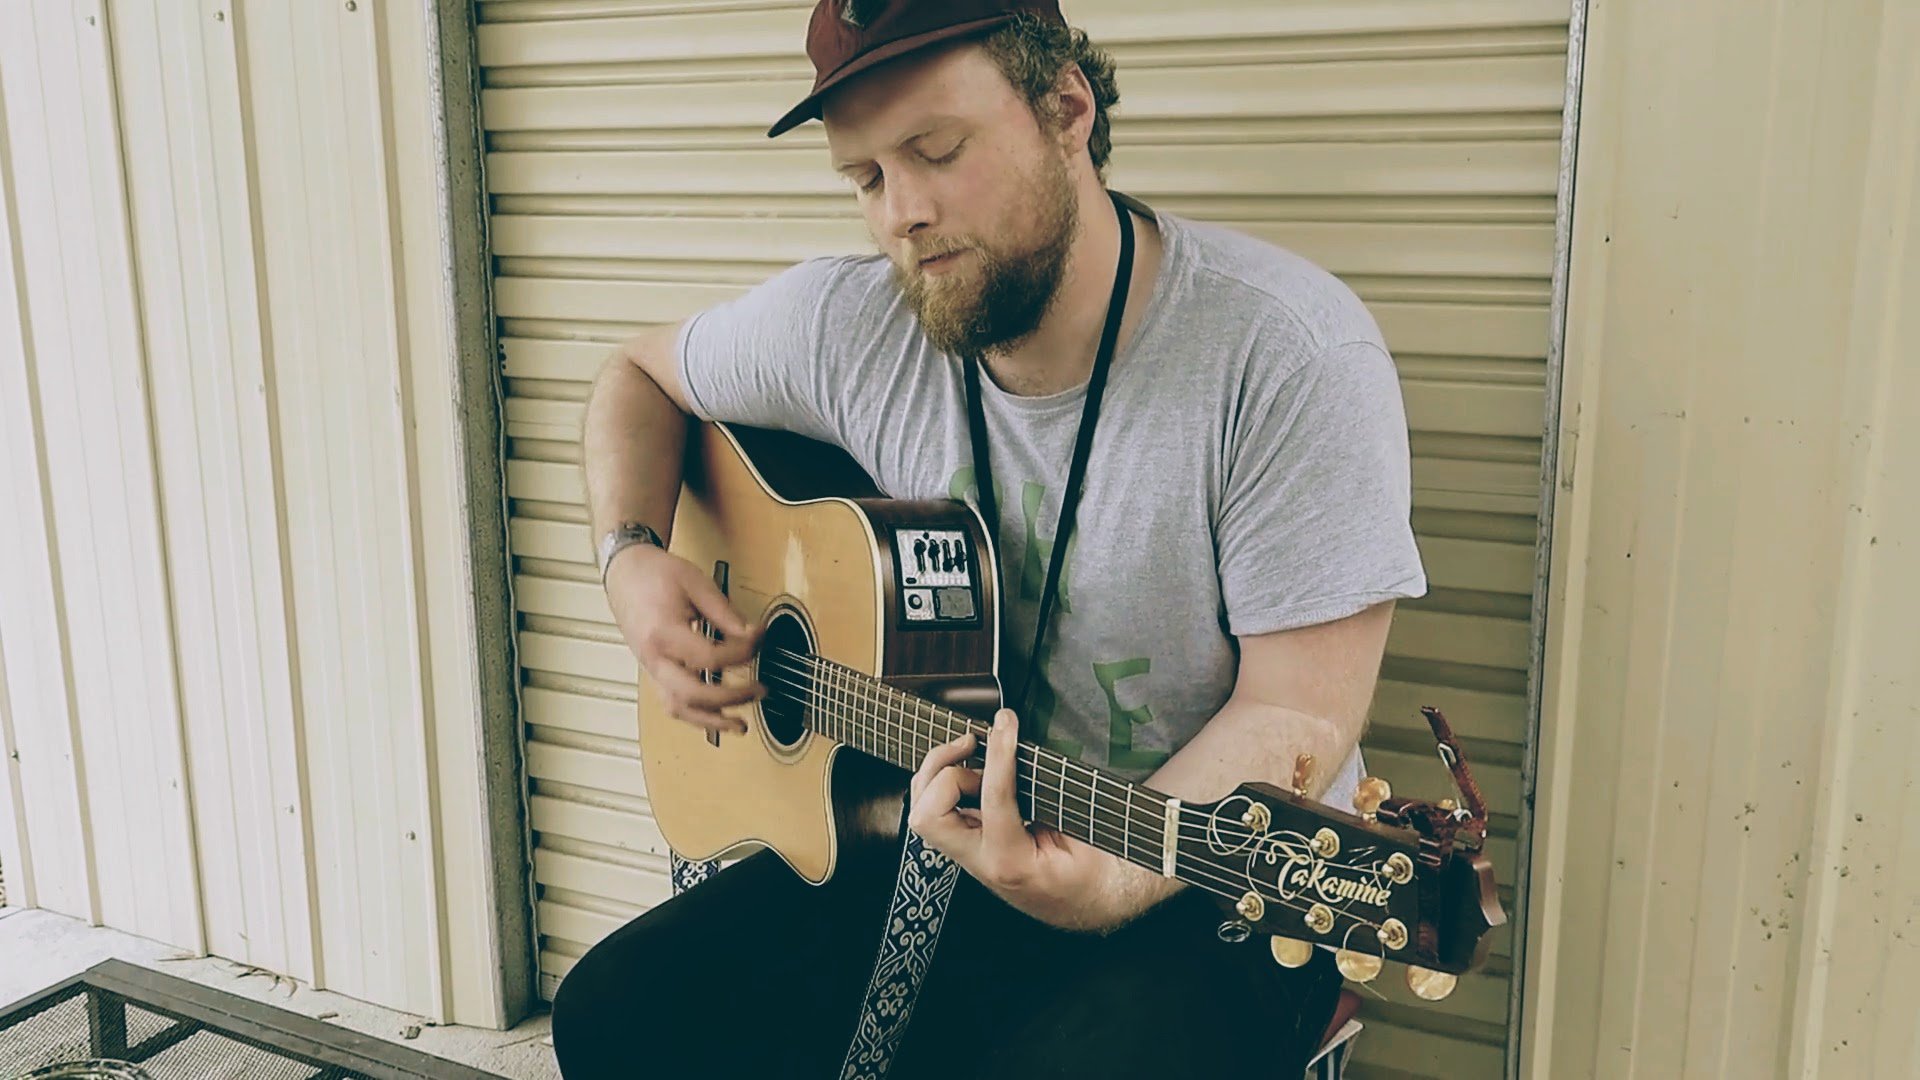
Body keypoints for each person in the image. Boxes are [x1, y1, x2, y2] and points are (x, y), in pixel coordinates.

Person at [552, 0, 1427, 1075]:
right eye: (865, 178)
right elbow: (634, 377)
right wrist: (629, 558)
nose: (901, 215)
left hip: (1209, 876)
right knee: (617, 1010)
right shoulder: (852, 325)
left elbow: (1295, 711)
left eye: (936, 151)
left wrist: (1100, 883)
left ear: (1067, 107)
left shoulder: (1287, 354)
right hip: (927, 829)